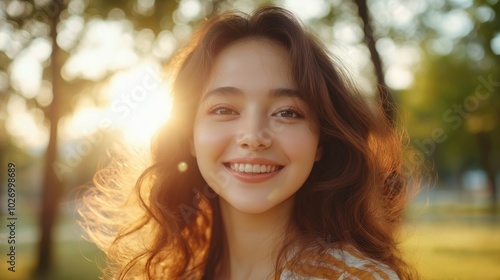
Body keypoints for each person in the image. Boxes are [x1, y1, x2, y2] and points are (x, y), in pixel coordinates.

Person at [79, 6, 420, 280]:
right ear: (190, 137)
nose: (254, 137)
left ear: (321, 142)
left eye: (287, 112)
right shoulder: (172, 273)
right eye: (224, 109)